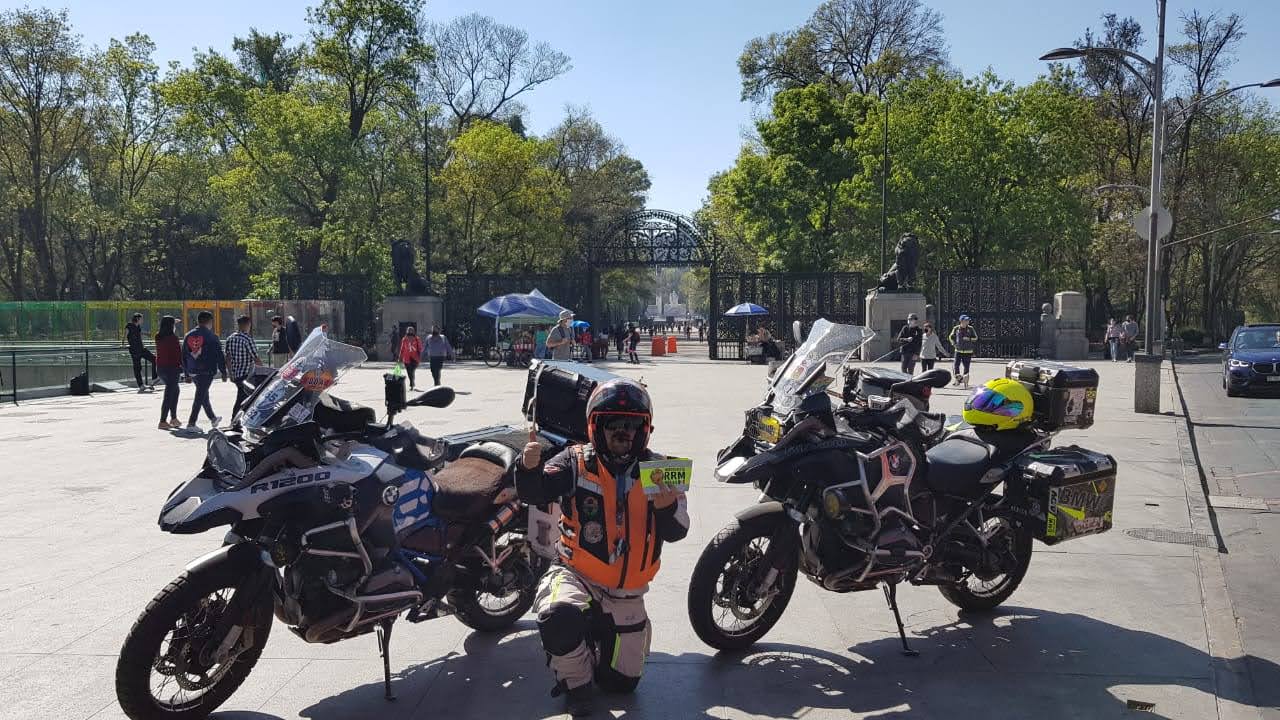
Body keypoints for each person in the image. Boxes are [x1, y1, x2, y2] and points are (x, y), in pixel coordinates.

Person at [516, 379, 689, 717]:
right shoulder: (574, 461)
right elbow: (534, 493)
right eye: (613, 424)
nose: (622, 434)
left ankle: (595, 637)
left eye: (631, 425)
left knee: (621, 684)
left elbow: (679, 531)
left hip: (627, 592)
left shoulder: (662, 470)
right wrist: (528, 468)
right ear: (595, 426)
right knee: (558, 615)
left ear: (645, 429)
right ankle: (576, 683)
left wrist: (667, 505)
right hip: (576, 573)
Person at [181, 310, 226, 433]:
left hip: (193, 370)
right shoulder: (212, 336)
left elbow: (183, 355)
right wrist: (223, 371)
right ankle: (191, 423)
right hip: (207, 370)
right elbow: (219, 355)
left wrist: (186, 373)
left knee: (202, 393)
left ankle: (213, 418)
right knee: (200, 395)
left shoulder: (188, 335)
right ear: (210, 322)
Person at [226, 315, 262, 419]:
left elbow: (227, 358)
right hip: (247, 375)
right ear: (248, 324)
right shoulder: (247, 339)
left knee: (243, 397)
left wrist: (231, 374)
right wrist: (265, 371)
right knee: (243, 399)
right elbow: (256, 358)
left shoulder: (230, 338)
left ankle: (239, 419)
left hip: (236, 375)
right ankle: (235, 419)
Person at [155, 315, 182, 430]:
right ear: (171, 326)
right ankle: (163, 420)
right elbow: (178, 355)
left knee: (174, 390)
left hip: (161, 368)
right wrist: (184, 368)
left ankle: (174, 418)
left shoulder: (158, 337)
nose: (175, 326)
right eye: (174, 324)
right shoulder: (173, 338)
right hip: (172, 369)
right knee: (169, 394)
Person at [126, 313, 158, 393]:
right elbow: (125, 335)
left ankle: (154, 378)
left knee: (154, 359)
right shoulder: (129, 325)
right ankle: (141, 385)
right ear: (137, 319)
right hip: (134, 350)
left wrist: (143, 345)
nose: (142, 320)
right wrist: (123, 343)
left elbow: (139, 337)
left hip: (141, 348)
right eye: (141, 319)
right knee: (137, 368)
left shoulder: (138, 327)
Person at [949, 315, 978, 388]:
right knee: (956, 365)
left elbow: (976, 338)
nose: (967, 322)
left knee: (966, 367)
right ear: (961, 321)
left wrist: (969, 339)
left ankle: (965, 382)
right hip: (958, 350)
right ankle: (958, 380)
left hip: (968, 351)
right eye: (966, 320)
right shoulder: (956, 328)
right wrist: (954, 344)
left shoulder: (971, 328)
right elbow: (950, 337)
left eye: (968, 320)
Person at [399, 325, 423, 390]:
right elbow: (402, 348)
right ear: (407, 331)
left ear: (413, 331)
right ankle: (412, 383)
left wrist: (421, 355)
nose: (410, 331)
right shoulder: (404, 339)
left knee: (412, 370)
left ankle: (412, 383)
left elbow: (420, 348)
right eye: (409, 330)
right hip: (406, 358)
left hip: (415, 358)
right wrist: (400, 357)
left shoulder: (417, 339)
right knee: (409, 371)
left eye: (411, 330)